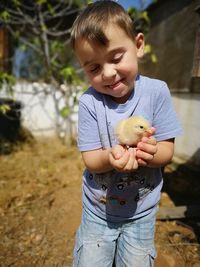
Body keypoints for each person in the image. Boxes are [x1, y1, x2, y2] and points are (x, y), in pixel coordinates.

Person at [70, 1, 182, 266]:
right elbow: (91, 159)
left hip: (141, 212)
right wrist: (110, 158)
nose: (108, 73)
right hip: (98, 210)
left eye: (116, 58)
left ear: (139, 45)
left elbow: (167, 150)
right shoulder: (90, 102)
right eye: (94, 68)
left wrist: (152, 154)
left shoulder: (156, 92)